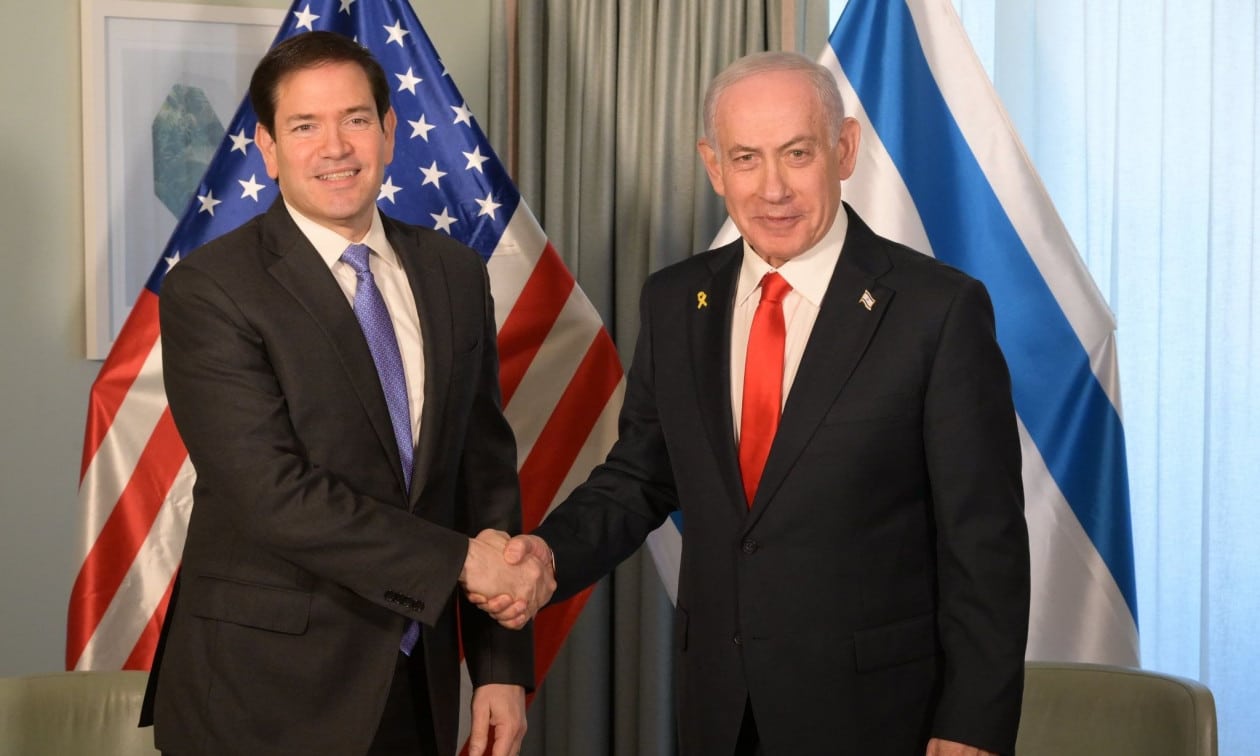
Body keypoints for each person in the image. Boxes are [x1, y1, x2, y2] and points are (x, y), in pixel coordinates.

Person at [476, 51, 1030, 755]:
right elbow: (640, 476)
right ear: (714, 166)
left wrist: (971, 727)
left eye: (797, 154)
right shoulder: (675, 300)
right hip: (720, 708)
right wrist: (548, 555)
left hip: (878, 717)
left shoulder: (937, 310)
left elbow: (985, 542)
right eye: (746, 158)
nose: (773, 188)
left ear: (844, 149)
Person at [139, 31, 552, 756]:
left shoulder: (454, 273)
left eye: (356, 119)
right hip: (262, 694)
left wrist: (499, 667)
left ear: (389, 133)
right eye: (305, 126)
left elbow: (483, 476)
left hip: (418, 685)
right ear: (268, 148)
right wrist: (462, 563)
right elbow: (272, 494)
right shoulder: (211, 289)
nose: (336, 147)